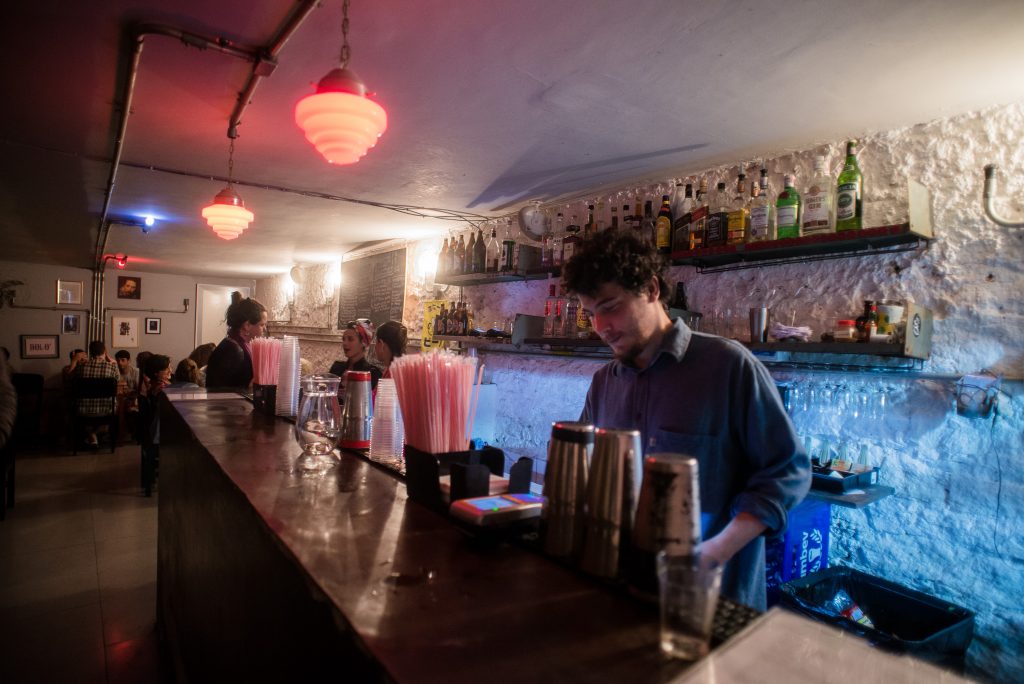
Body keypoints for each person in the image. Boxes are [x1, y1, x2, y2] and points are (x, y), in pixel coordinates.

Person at [561, 229, 810, 610]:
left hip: (716, 600)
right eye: (591, 313)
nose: (600, 326)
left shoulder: (728, 366)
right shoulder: (604, 382)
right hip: (627, 590)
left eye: (610, 306)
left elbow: (788, 472)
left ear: (651, 289)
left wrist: (715, 551)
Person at [205, 292, 267, 389]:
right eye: (262, 325)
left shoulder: (234, 345)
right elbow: (220, 390)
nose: (265, 329)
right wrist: (249, 386)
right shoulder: (233, 350)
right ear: (247, 325)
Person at [73, 340, 120, 447]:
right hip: (107, 410)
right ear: (104, 351)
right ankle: (98, 434)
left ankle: (91, 435)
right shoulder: (112, 366)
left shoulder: (80, 367)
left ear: (90, 352)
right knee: (117, 405)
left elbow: (73, 378)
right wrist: (112, 361)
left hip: (83, 410)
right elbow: (117, 380)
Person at [137, 354, 171, 496]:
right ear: (157, 373)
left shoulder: (152, 386)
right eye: (167, 368)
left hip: (152, 434)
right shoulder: (162, 390)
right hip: (160, 436)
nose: (170, 370)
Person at [330, 319, 381, 394]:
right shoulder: (336, 368)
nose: (345, 343)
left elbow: (370, 399)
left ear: (363, 343)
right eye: (343, 339)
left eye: (350, 339)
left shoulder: (372, 373)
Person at [115, 350, 140, 442]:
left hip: (133, 399)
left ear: (128, 360)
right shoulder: (115, 372)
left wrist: (129, 392)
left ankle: (127, 434)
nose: (119, 363)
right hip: (119, 399)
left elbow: (139, 390)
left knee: (128, 406)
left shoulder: (136, 372)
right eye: (118, 360)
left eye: (123, 360)